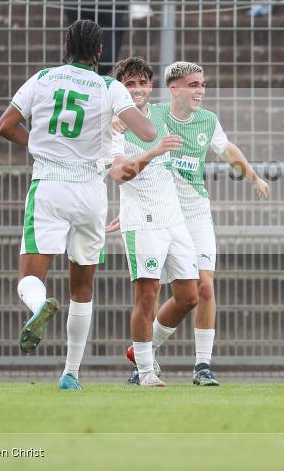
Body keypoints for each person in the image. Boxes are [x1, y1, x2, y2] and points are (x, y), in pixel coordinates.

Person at [0, 20, 156, 391]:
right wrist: (122, 121)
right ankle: (71, 374)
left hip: (49, 185)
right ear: (100, 52)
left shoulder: (44, 78)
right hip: (90, 192)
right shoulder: (108, 86)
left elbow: (5, 125)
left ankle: (38, 306)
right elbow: (147, 132)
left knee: (30, 279)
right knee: (82, 289)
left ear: (66, 45)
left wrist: (37, 144)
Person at [147, 61, 271, 386]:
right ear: (174, 89)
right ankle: (144, 356)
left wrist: (254, 178)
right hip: (160, 215)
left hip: (196, 213)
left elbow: (227, 150)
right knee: (157, 292)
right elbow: (125, 140)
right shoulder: (154, 117)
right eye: (193, 85)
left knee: (204, 288)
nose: (200, 91)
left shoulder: (207, 120)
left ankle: (202, 366)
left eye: (202, 85)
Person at [105, 57, 201, 388]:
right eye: (128, 84)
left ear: (150, 86)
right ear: (120, 88)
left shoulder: (160, 116)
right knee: (147, 296)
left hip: (173, 217)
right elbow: (118, 174)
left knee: (190, 296)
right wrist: (153, 152)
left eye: (142, 83)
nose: (136, 90)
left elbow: (187, 103)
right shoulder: (115, 126)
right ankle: (146, 371)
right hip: (143, 221)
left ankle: (142, 350)